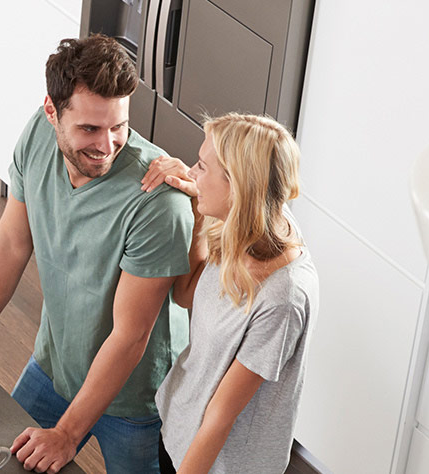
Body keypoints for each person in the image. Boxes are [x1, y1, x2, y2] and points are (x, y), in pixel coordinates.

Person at [0, 34, 199, 473]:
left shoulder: (159, 202)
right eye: (89, 129)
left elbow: (130, 336)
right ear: (52, 112)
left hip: (136, 401)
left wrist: (67, 435)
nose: (106, 145)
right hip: (56, 365)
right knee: (0, 467)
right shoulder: (37, 137)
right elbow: (12, 241)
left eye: (118, 126)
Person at [138, 113, 319, 473]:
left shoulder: (282, 299)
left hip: (219, 463)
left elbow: (221, 416)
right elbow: (187, 295)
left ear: (238, 185)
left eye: (202, 167)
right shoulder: (244, 225)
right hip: (180, 430)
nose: (191, 172)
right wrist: (197, 208)